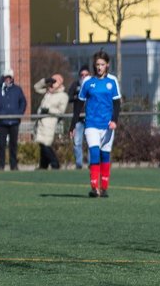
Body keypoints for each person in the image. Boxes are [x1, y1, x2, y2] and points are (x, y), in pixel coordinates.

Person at [77, 50, 121, 197]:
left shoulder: (112, 81)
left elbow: (117, 103)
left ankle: (104, 188)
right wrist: (72, 125)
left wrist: (114, 120)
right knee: (94, 153)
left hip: (107, 125)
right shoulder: (88, 82)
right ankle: (94, 188)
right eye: (97, 65)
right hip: (91, 124)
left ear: (107, 65)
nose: (99, 67)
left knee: (105, 155)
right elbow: (79, 103)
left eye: (102, 64)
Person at [0, 69, 27, 171]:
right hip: (2, 122)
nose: (8, 79)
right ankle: (0, 165)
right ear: (3, 77)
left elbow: (23, 102)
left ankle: (13, 165)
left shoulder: (17, 90)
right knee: (2, 144)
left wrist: (19, 114)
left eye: (9, 77)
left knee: (13, 144)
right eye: (6, 77)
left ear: (12, 78)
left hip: (14, 121)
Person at [32, 74, 68, 170]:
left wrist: (49, 110)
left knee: (45, 144)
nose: (52, 83)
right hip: (41, 122)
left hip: (50, 121)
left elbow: (61, 111)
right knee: (41, 143)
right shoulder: (48, 92)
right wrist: (45, 80)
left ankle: (55, 163)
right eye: (52, 81)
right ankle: (43, 165)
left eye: (55, 81)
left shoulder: (63, 96)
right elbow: (36, 87)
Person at [67, 65, 91, 168]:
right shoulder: (75, 85)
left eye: (86, 75)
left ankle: (92, 163)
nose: (84, 76)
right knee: (77, 142)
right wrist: (77, 97)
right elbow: (69, 98)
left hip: (90, 118)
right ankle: (79, 164)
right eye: (82, 75)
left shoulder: (93, 85)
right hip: (78, 119)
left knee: (91, 142)